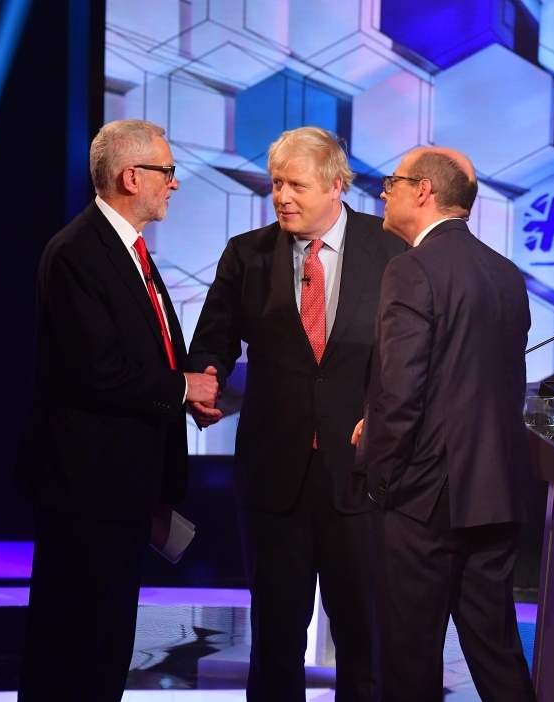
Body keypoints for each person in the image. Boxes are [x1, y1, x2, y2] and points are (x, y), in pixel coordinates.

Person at [188, 126, 406, 701]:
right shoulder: (247, 253)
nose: (282, 196)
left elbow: (415, 353)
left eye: (296, 185)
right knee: (277, 635)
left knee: (365, 637)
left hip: (360, 474)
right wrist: (205, 378)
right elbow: (213, 341)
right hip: (273, 474)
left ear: (337, 186)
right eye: (276, 184)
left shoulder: (390, 249)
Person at [15, 119, 220, 700]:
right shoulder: (78, 251)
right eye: (168, 172)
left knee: (107, 644)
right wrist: (182, 390)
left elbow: (147, 347)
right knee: (71, 644)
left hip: (124, 487)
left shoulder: (128, 249)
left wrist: (188, 387)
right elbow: (96, 370)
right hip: (86, 488)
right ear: (133, 176)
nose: (174, 185)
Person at [350, 146, 536, 701]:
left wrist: (378, 478)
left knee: (409, 662)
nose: (384, 192)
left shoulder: (411, 269)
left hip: (422, 499)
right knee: (497, 654)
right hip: (495, 491)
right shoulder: (505, 273)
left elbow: (400, 391)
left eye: (393, 182)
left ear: (423, 192)